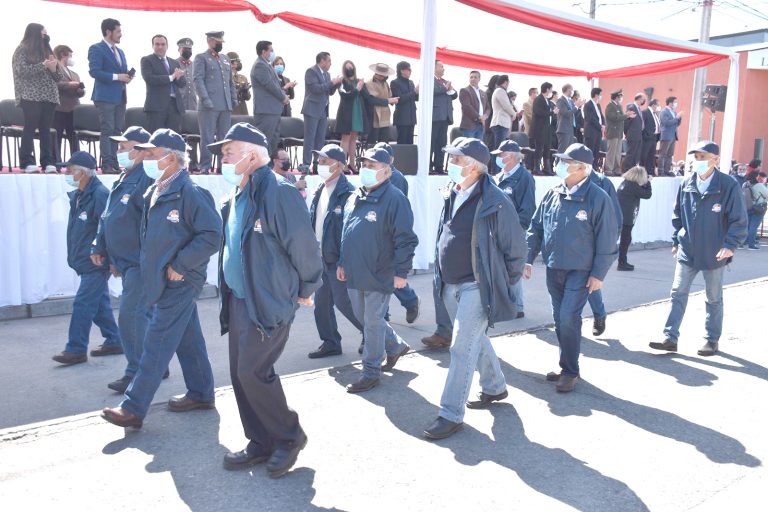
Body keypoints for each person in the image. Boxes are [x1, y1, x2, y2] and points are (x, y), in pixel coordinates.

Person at [212, 123, 321, 478]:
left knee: (253, 371)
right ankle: (260, 440)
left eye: (230, 151)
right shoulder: (237, 194)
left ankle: (289, 436)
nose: (224, 158)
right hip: (240, 299)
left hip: (269, 299)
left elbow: (303, 246)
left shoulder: (278, 192)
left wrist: (306, 288)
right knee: (240, 375)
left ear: (253, 153)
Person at [101, 128, 221, 429]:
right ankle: (202, 392)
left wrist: (181, 264)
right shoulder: (154, 190)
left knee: (157, 340)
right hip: (163, 278)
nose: (148, 158)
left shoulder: (191, 193)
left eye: (153, 154)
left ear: (171, 158)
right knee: (187, 337)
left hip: (181, 279)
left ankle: (133, 407)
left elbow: (212, 235)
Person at [423, 138, 526, 440]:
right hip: (449, 283)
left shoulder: (496, 200)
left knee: (460, 347)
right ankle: (495, 387)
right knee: (474, 340)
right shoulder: (452, 192)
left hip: (477, 287)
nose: (451, 166)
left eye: (456, 160)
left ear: (474, 167)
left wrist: (503, 283)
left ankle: (450, 413)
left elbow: (516, 247)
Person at [526, 143, 618, 393]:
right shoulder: (553, 193)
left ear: (581, 168)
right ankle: (566, 363)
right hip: (554, 267)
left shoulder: (598, 198)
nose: (560, 166)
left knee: (568, 316)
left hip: (581, 270)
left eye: (566, 162)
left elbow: (608, 238)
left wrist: (599, 273)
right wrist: (527, 257)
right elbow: (536, 228)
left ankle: (570, 370)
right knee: (559, 318)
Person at [650, 140, 747, 357]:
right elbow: (678, 216)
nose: (699, 162)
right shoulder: (687, 183)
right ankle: (670, 337)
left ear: (716, 160)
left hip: (715, 252)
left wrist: (730, 245)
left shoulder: (728, 185)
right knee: (677, 292)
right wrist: (676, 240)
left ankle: (711, 340)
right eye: (697, 157)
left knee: (713, 298)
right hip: (688, 249)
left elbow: (739, 219)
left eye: (703, 157)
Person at [338, 147, 418, 393]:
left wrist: (401, 273)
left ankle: (370, 372)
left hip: (380, 272)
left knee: (372, 323)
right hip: (354, 270)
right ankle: (394, 346)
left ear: (386, 171)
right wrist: (343, 262)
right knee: (364, 319)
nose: (366, 170)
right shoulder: (355, 196)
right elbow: (347, 233)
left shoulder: (395, 198)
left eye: (372, 166)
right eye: (364, 164)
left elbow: (406, 239)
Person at [90, 126, 157, 393]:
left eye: (124, 147)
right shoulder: (123, 177)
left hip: (140, 263)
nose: (119, 152)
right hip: (126, 262)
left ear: (140, 151)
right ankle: (153, 367)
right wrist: (102, 247)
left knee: (131, 318)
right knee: (144, 317)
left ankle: (137, 372)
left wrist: (138, 258)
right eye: (118, 147)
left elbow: (149, 224)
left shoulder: (145, 179)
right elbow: (108, 217)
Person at [52, 151, 123, 366]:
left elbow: (109, 228)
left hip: (96, 262)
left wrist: (110, 259)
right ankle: (114, 340)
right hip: (85, 262)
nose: (65, 173)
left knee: (83, 303)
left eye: (69, 169)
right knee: (98, 303)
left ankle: (75, 349)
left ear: (82, 173)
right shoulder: (80, 194)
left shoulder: (99, 194)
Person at [307, 144, 365, 358]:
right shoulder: (319, 190)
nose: (319, 164)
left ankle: (374, 336)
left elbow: (351, 232)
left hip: (337, 259)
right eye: (319, 160)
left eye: (325, 161)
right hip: (320, 257)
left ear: (339, 166)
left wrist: (344, 261)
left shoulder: (349, 193)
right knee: (321, 305)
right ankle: (330, 342)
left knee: (344, 303)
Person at [374, 142, 421, 325]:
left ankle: (408, 301)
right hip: (375, 232)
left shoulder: (397, 179)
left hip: (390, 233)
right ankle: (383, 321)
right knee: (381, 277)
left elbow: (397, 211)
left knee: (388, 276)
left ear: (391, 159)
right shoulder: (374, 176)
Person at [491, 140, 535, 318]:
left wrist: (517, 231)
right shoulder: (498, 177)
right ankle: (502, 304)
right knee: (497, 267)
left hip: (513, 231)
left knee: (513, 267)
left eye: (501, 155)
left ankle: (517, 307)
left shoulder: (525, 178)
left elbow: (528, 208)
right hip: (496, 229)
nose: (498, 158)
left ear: (511, 157)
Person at [13, 23, 62, 174]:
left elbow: (58, 77)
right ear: (35, 34)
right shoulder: (22, 49)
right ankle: (27, 161)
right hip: (30, 95)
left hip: (49, 96)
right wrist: (43, 65)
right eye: (43, 34)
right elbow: (21, 71)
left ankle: (47, 162)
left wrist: (53, 68)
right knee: (30, 128)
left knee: (45, 130)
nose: (46, 37)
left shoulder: (47, 50)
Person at [88, 18, 131, 174]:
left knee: (117, 131)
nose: (121, 34)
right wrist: (117, 77)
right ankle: (106, 164)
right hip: (105, 96)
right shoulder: (96, 49)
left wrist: (126, 77)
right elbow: (95, 71)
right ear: (108, 31)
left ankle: (114, 162)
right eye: (118, 31)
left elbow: (121, 72)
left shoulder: (120, 52)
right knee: (107, 129)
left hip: (120, 96)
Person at [585, 161, 623, 336]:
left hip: (593, 243)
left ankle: (599, 315)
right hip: (573, 244)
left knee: (590, 284)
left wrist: (608, 243)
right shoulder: (566, 182)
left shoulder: (602, 182)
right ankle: (569, 323)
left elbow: (615, 215)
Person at [193, 30, 237, 174]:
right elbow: (198, 80)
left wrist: (233, 98)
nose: (220, 44)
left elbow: (230, 82)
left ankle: (221, 166)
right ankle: (205, 166)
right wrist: (205, 99)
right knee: (207, 136)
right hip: (209, 105)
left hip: (225, 105)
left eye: (221, 42)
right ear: (210, 41)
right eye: (218, 42)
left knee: (224, 138)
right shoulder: (201, 58)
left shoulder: (225, 59)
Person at [301, 52, 342, 167]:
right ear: (322, 61)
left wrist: (337, 84)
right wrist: (331, 83)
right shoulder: (311, 71)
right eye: (329, 61)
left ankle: (317, 163)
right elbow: (316, 89)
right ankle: (306, 163)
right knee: (310, 138)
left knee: (320, 139)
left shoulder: (327, 74)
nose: (330, 64)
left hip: (323, 110)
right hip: (312, 109)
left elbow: (330, 91)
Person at [141, 34, 186, 133]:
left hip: (175, 107)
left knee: (173, 140)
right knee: (156, 141)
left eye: (163, 44)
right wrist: (171, 77)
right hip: (156, 108)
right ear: (152, 46)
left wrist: (179, 77)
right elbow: (149, 79)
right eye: (157, 44)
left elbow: (182, 84)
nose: (160, 47)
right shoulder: (147, 60)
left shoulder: (174, 62)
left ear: (167, 46)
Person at [251, 41, 286, 156]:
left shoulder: (266, 65)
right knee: (263, 141)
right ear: (263, 52)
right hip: (266, 110)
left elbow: (275, 85)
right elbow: (270, 85)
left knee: (272, 141)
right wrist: (283, 97)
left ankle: (269, 165)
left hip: (273, 110)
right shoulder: (260, 65)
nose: (272, 53)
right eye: (270, 50)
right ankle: (261, 167)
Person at [616, 165, 653, 270]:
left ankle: (622, 262)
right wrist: (648, 182)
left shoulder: (626, 183)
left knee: (625, 239)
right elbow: (647, 195)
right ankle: (622, 263)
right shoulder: (632, 186)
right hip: (626, 217)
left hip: (622, 215)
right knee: (625, 240)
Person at [53, 44, 84, 162]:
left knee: (73, 137)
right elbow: (54, 84)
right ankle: (56, 161)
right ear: (63, 54)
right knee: (57, 136)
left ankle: (77, 161)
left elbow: (80, 92)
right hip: (59, 108)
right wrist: (68, 85)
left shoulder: (74, 74)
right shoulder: (55, 68)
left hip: (74, 109)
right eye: (70, 55)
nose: (71, 58)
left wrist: (80, 90)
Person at [336, 61, 367, 171]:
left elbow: (366, 96)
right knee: (345, 139)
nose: (350, 69)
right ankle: (342, 164)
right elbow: (345, 95)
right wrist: (357, 89)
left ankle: (352, 164)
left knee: (354, 139)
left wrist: (362, 87)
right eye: (347, 67)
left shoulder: (359, 81)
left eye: (351, 67)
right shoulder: (342, 81)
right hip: (347, 114)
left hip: (357, 113)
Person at [430, 60, 457, 173]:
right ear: (434, 67)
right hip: (435, 116)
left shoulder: (445, 82)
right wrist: (445, 88)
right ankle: (428, 167)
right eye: (441, 66)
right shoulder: (429, 80)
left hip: (445, 117)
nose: (443, 69)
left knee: (441, 143)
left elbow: (455, 94)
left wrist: (449, 89)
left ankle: (439, 167)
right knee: (431, 142)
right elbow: (433, 91)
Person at [364, 63, 398, 145]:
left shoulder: (386, 84)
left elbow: (389, 96)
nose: (385, 77)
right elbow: (372, 100)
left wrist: (393, 100)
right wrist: (388, 101)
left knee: (384, 142)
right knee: (372, 142)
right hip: (373, 116)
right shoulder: (369, 83)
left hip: (385, 117)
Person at [604, 90, 635, 176]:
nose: (621, 98)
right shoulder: (610, 106)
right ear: (617, 97)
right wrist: (626, 115)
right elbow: (614, 117)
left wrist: (627, 116)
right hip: (613, 132)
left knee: (618, 152)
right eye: (620, 96)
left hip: (619, 133)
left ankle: (617, 169)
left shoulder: (619, 106)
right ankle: (608, 170)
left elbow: (621, 118)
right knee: (611, 152)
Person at [390, 61, 418, 144]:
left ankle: (409, 157)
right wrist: (414, 92)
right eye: (408, 69)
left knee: (410, 143)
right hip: (402, 118)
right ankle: (401, 157)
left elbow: (415, 98)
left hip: (411, 117)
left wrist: (419, 93)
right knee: (402, 142)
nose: (410, 71)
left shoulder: (411, 82)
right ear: (402, 70)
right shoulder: (395, 83)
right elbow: (399, 99)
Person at [531, 82, 554, 175]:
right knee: (539, 148)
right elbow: (539, 112)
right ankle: (536, 168)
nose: (551, 91)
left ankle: (547, 168)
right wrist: (552, 112)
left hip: (547, 128)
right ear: (547, 89)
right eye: (551, 89)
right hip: (539, 128)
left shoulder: (547, 100)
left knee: (547, 147)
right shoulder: (538, 99)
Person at [489, 74, 515, 150]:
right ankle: (495, 162)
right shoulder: (500, 91)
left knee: (500, 148)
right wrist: (514, 114)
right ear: (506, 82)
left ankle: (496, 162)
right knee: (499, 149)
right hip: (500, 123)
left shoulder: (499, 91)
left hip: (502, 123)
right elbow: (506, 106)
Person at [459, 70, 488, 139]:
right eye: (471, 77)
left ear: (479, 79)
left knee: (478, 148)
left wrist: (485, 116)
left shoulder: (483, 93)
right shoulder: (465, 90)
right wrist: (479, 117)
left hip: (480, 125)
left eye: (475, 77)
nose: (473, 79)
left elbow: (488, 107)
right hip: (469, 125)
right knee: (469, 148)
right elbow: (467, 107)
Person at [743, 170, 768, 250]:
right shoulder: (759, 185)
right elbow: (766, 194)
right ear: (756, 176)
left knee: (748, 225)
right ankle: (751, 244)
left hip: (748, 206)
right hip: (759, 207)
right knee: (754, 226)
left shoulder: (745, 184)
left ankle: (742, 242)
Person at [658, 97, 683, 176]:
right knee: (663, 154)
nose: (676, 104)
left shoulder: (674, 112)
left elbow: (676, 124)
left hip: (673, 136)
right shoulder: (664, 111)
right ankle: (661, 171)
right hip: (666, 135)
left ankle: (667, 170)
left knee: (670, 154)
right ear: (670, 103)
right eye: (675, 102)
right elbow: (666, 123)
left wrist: (679, 119)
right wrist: (676, 118)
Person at [583, 87, 604, 170]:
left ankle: (594, 167)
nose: (601, 96)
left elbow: (601, 116)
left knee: (596, 151)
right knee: (590, 151)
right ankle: (588, 168)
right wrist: (600, 126)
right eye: (600, 95)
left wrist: (603, 124)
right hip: (591, 132)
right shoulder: (588, 105)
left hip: (598, 132)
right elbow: (591, 118)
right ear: (596, 95)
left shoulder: (598, 105)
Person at [623, 93, 645, 171]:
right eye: (643, 99)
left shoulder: (638, 109)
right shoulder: (632, 107)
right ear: (639, 99)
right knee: (631, 154)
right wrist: (627, 133)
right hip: (632, 135)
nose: (643, 101)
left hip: (639, 135)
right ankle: (626, 170)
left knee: (636, 155)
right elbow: (626, 122)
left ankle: (632, 170)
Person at [641, 99, 660, 176]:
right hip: (647, 138)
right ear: (653, 105)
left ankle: (650, 171)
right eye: (657, 105)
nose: (658, 107)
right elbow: (642, 125)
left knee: (651, 156)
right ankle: (642, 171)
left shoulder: (655, 114)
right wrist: (646, 135)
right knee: (644, 155)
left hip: (654, 137)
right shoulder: (645, 112)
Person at [176, 38, 196, 111]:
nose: (187, 51)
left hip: (193, 103)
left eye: (189, 49)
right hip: (179, 103)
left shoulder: (195, 65)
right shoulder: (174, 64)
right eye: (185, 49)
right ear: (179, 50)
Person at [228, 51, 250, 116]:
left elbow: (248, 98)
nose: (238, 63)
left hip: (242, 110)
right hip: (232, 111)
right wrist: (237, 90)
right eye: (237, 61)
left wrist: (245, 92)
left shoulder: (243, 78)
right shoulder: (225, 78)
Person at [556, 84, 577, 153]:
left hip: (570, 129)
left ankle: (566, 164)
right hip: (563, 129)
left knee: (568, 151)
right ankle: (559, 163)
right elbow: (566, 113)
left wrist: (578, 106)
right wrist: (576, 107)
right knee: (562, 150)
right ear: (568, 90)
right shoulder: (561, 100)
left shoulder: (570, 101)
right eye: (572, 90)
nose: (572, 92)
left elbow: (573, 111)